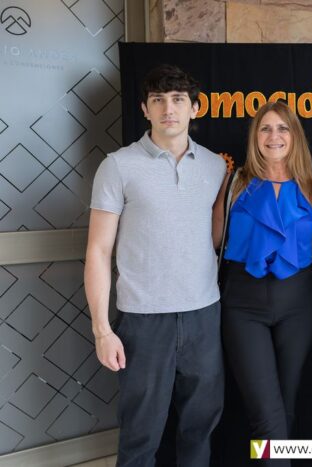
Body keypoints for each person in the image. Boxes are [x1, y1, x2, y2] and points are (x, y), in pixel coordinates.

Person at [85, 64, 226, 466]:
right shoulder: (118, 165)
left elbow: (213, 237)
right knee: (140, 435)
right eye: (158, 100)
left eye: (178, 99)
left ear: (195, 108)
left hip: (203, 315)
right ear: (145, 109)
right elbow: (98, 251)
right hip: (143, 321)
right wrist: (102, 330)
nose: (169, 109)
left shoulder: (215, 166)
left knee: (200, 428)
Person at [213, 101, 312, 465]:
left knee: (285, 407)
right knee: (265, 412)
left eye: (283, 128)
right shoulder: (235, 182)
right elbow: (214, 239)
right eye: (266, 128)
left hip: (298, 302)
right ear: (255, 137)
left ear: (294, 136)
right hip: (243, 303)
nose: (274, 136)